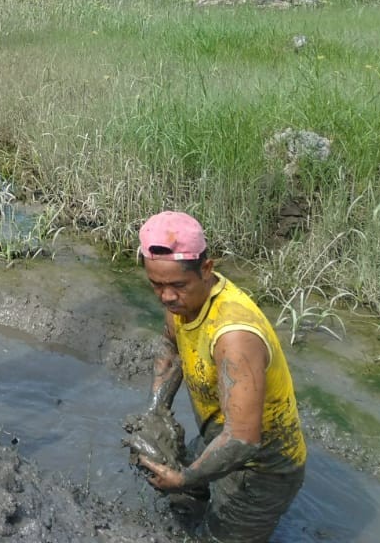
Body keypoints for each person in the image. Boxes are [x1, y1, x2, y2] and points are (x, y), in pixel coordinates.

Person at [132, 211, 306, 543]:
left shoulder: (235, 336)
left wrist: (184, 478)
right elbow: (171, 348)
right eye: (156, 284)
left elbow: (242, 440)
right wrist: (156, 410)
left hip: (263, 469)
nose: (166, 297)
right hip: (217, 436)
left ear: (207, 269)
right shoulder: (181, 301)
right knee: (181, 502)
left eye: (177, 285)